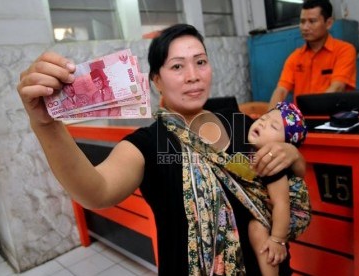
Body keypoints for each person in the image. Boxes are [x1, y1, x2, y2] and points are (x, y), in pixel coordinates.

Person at [16, 23, 306, 275]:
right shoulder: (150, 143)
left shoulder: (237, 119)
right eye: (177, 66)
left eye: (201, 62)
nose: (193, 75)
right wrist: (46, 126)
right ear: (156, 80)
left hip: (271, 262)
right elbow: (96, 191)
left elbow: (284, 176)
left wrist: (293, 156)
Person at [246, 101, 310, 276]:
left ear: (284, 144)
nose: (263, 123)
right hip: (273, 207)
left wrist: (278, 240)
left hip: (293, 212)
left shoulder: (273, 163)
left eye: (273, 126)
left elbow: (282, 203)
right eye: (263, 118)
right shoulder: (250, 150)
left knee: (256, 228)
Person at [269, 0, 357, 108]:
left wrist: (311, 113)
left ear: (328, 23)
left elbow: (337, 87)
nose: (305, 27)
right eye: (302, 21)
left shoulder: (344, 51)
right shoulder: (294, 58)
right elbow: (281, 90)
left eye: (312, 21)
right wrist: (269, 117)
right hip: (303, 120)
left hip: (334, 119)